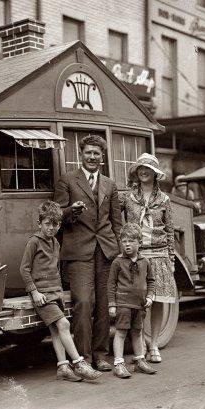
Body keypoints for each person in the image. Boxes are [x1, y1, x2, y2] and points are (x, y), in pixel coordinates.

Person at [54, 135, 122, 372]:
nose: (92, 157)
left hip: (105, 251)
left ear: (102, 157)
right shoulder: (67, 180)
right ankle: (82, 358)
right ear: (80, 155)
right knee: (83, 302)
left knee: (104, 304)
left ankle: (101, 355)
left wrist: (121, 252)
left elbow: (117, 222)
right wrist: (70, 211)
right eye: (88, 153)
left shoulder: (110, 184)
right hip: (78, 250)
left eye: (97, 153)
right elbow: (57, 216)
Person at [19, 201, 102, 383]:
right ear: (39, 223)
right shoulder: (34, 242)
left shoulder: (55, 243)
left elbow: (55, 267)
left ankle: (63, 366)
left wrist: (60, 290)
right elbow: (24, 269)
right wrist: (34, 292)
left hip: (55, 292)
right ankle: (79, 363)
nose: (51, 228)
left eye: (55, 224)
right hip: (42, 295)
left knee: (56, 331)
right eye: (47, 223)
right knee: (64, 324)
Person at [121, 153, 175, 364]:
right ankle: (140, 344)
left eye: (148, 169)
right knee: (139, 301)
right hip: (138, 255)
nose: (143, 172)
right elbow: (118, 222)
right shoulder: (128, 197)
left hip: (160, 254)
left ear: (155, 174)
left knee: (159, 300)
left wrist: (171, 259)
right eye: (140, 169)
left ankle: (154, 345)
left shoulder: (164, 200)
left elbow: (170, 230)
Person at [108, 223, 157, 378]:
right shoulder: (117, 262)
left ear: (139, 243)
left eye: (131, 241)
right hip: (123, 304)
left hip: (140, 304)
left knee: (137, 332)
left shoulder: (145, 262)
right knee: (121, 333)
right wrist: (112, 304)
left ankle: (139, 361)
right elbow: (111, 284)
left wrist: (150, 296)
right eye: (124, 241)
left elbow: (151, 281)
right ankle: (119, 363)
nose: (127, 244)